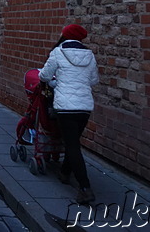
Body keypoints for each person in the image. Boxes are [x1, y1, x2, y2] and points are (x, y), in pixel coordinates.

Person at [39, 24, 99, 205]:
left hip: (65, 106)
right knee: (73, 141)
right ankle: (65, 173)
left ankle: (85, 187)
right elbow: (94, 80)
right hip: (85, 107)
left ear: (65, 35)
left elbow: (44, 76)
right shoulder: (89, 55)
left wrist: (55, 84)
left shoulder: (58, 52)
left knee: (72, 145)